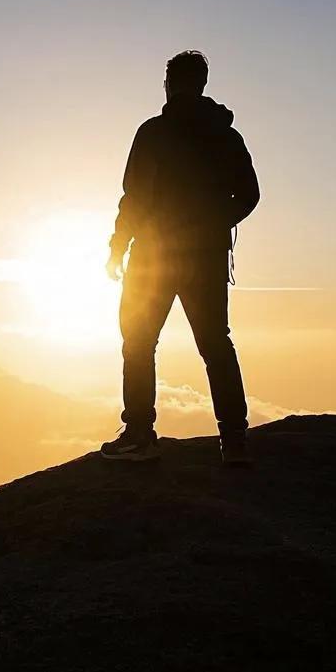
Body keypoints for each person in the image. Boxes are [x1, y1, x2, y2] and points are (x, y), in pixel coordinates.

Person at [102, 51, 259, 465]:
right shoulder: (225, 136)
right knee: (214, 344)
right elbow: (249, 195)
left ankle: (139, 434)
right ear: (202, 83)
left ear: (168, 82)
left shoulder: (153, 133)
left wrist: (117, 248)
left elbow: (133, 197)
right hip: (205, 258)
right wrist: (212, 224)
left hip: (154, 256)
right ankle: (235, 441)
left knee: (138, 341)